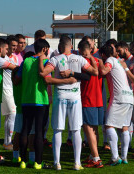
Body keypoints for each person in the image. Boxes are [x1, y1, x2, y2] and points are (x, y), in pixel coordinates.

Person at [15, 39, 76, 169]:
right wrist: (67, 81)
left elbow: (17, 80)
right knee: (38, 132)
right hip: (40, 101)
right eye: (48, 49)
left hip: (26, 100)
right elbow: (48, 80)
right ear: (44, 49)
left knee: (24, 130)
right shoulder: (45, 62)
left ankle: (23, 161)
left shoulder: (25, 61)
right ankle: (38, 162)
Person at [39, 36, 98, 170]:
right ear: (71, 46)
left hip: (60, 95)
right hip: (75, 96)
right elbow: (95, 72)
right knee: (76, 129)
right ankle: (77, 163)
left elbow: (43, 73)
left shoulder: (55, 59)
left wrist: (41, 59)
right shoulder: (80, 59)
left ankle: (57, 163)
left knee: (58, 130)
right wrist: (92, 58)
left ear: (60, 47)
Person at [99, 44, 134, 165]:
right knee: (124, 127)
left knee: (109, 125)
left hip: (119, 97)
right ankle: (124, 157)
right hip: (129, 97)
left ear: (103, 55)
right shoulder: (118, 61)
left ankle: (115, 157)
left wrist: (98, 62)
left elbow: (104, 71)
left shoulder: (109, 60)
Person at [78, 41, 104, 168]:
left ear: (81, 50)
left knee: (88, 128)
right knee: (94, 129)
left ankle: (96, 158)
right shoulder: (98, 61)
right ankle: (93, 155)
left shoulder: (84, 62)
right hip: (98, 98)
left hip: (88, 98)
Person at [116, 41, 134, 151]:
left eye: (119, 50)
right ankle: (129, 143)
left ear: (126, 49)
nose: (118, 52)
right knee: (127, 120)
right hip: (126, 94)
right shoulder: (123, 61)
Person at [1, 35, 19, 150]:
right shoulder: (2, 58)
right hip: (4, 90)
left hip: (12, 90)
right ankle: (8, 142)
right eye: (13, 45)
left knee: (10, 116)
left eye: (16, 46)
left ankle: (7, 141)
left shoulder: (15, 58)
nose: (15, 48)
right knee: (12, 114)